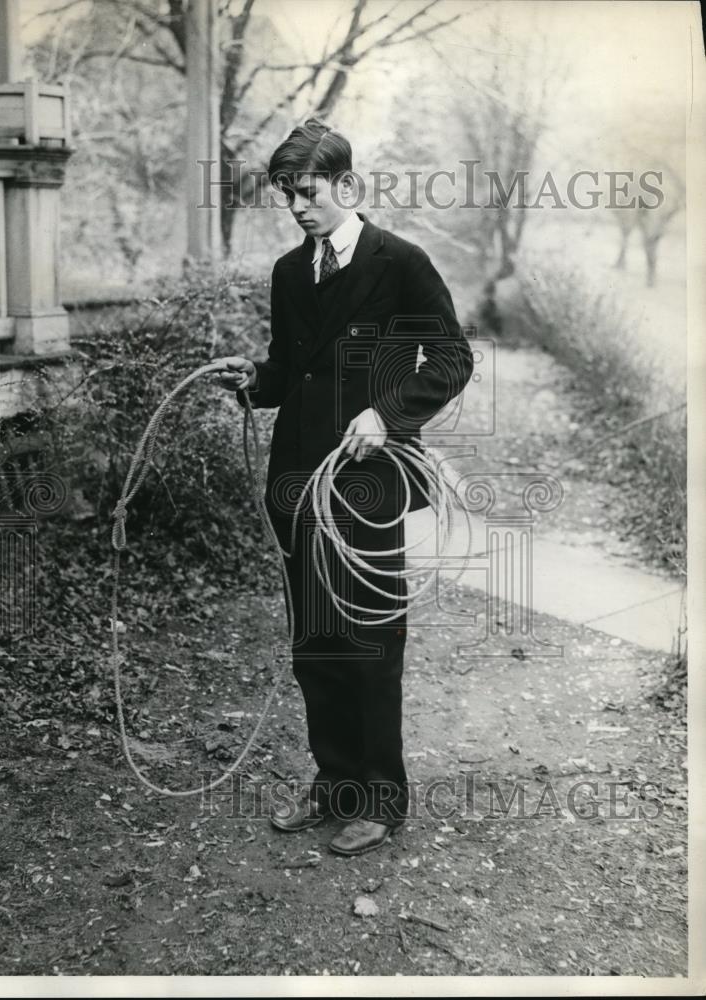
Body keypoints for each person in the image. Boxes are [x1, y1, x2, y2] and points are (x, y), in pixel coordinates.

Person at [217, 119, 473, 856]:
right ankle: (333, 786)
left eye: (309, 192)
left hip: (367, 483)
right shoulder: (291, 273)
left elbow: (452, 359)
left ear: (348, 185)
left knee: (367, 640)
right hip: (298, 480)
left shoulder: (401, 262)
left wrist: (386, 416)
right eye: (287, 196)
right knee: (314, 644)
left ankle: (380, 799)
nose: (298, 207)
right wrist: (253, 382)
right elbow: (287, 371)